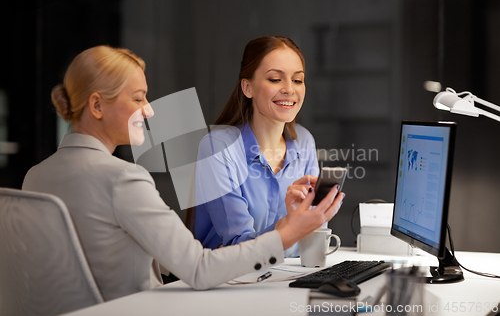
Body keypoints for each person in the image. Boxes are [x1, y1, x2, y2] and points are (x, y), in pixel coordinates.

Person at [22, 45, 344, 302]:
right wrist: (287, 232)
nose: (149, 109)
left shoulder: (34, 177)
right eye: (138, 98)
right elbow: (199, 268)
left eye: (297, 78)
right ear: (96, 106)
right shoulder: (124, 180)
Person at [192, 36, 336, 257]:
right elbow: (237, 246)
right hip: (226, 283)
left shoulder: (304, 141)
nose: (289, 89)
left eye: (297, 80)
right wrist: (292, 225)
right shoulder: (217, 147)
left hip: (284, 278)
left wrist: (317, 219)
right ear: (247, 87)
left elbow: (311, 237)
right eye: (275, 79)